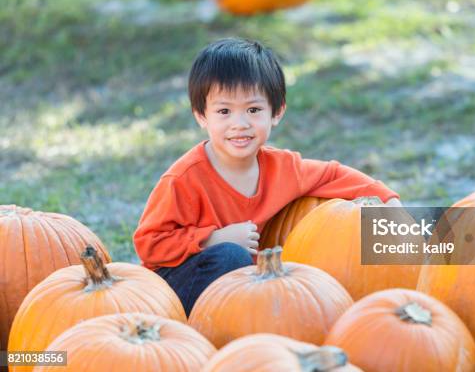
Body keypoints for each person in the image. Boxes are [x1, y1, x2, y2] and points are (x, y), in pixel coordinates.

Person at [133, 37, 402, 316]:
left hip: (242, 290)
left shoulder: (282, 168)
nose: (240, 124)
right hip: (178, 290)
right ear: (202, 116)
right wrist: (213, 239)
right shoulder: (184, 179)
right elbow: (148, 244)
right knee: (231, 255)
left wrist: (388, 200)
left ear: (276, 112)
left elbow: (332, 174)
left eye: (253, 110)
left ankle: (447, 252)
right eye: (224, 111)